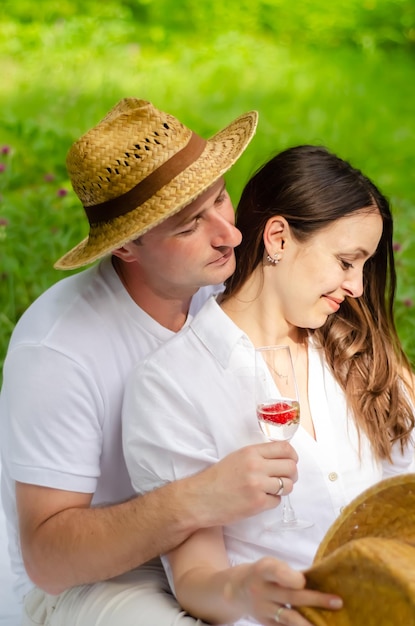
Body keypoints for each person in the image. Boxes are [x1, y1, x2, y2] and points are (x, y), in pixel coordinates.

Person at [0, 99, 341, 626]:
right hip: (106, 577)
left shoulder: (225, 283)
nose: (228, 234)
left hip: (226, 541)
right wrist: (197, 501)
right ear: (127, 248)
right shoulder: (57, 350)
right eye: (188, 226)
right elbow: (47, 560)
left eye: (221, 200)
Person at [122, 144, 415, 626]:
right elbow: (196, 574)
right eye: (347, 261)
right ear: (278, 238)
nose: (359, 287)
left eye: (364, 266)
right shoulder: (174, 385)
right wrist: (242, 591)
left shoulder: (356, 350)